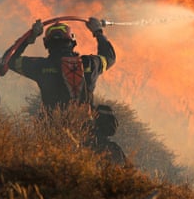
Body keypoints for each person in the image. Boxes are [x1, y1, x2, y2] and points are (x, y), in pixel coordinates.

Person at [7, 18, 126, 165]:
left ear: (47, 44)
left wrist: (29, 38)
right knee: (117, 162)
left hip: (53, 137)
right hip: (88, 134)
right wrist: (98, 32)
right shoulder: (89, 64)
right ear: (73, 42)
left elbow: (9, 60)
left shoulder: (40, 66)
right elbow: (109, 57)